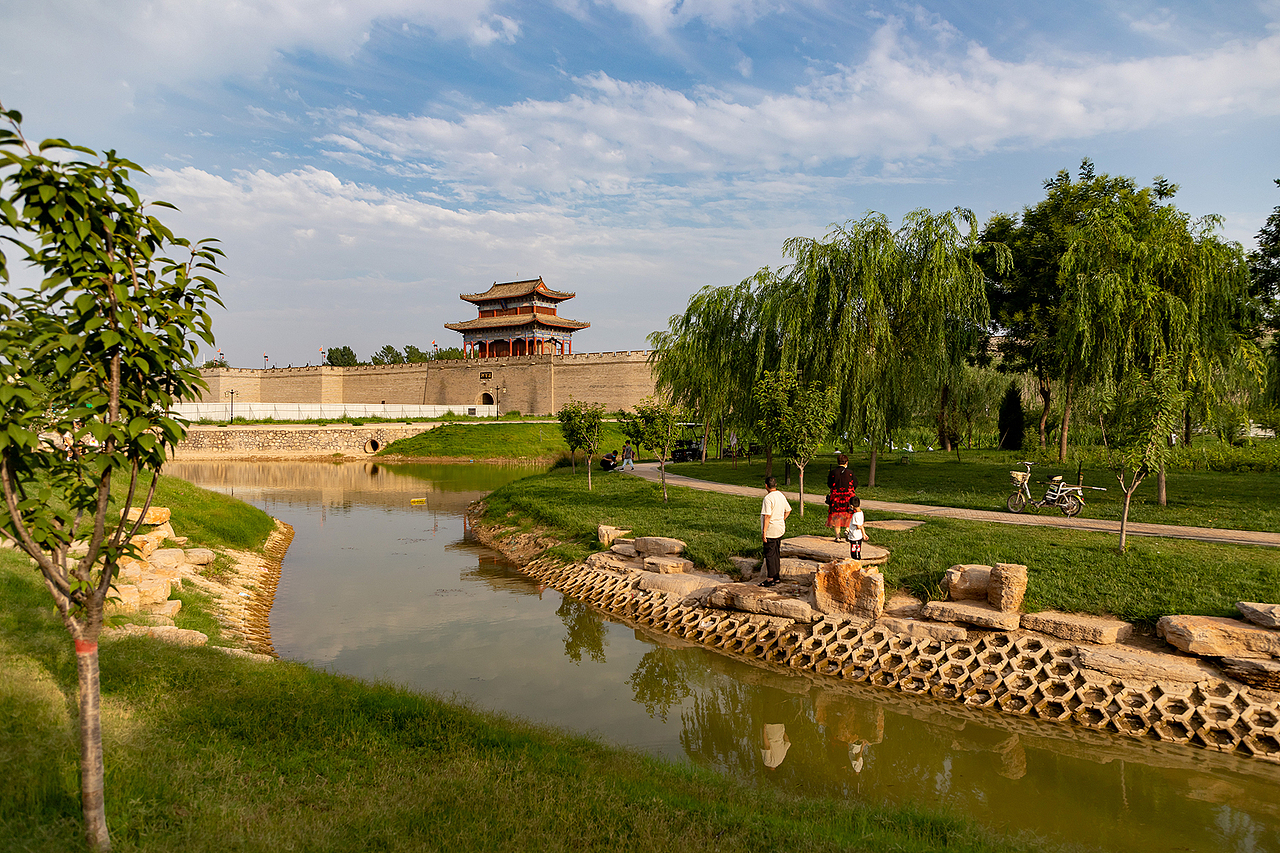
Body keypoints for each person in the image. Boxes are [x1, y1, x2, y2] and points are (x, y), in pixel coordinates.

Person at [760, 476, 791, 587]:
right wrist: (781, 519)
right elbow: (788, 510)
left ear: (766, 486)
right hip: (780, 528)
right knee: (776, 553)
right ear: (775, 485)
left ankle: (770, 578)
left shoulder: (768, 499)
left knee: (769, 554)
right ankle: (776, 577)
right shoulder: (781, 495)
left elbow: (767, 516)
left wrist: (764, 532)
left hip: (771, 530)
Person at [826, 452, 858, 541]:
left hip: (836, 497)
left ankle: (838, 536)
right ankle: (847, 530)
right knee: (849, 513)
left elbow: (829, 484)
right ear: (846, 462)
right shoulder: (850, 472)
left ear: (838, 462)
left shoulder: (833, 472)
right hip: (848, 497)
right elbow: (855, 484)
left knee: (836, 515)